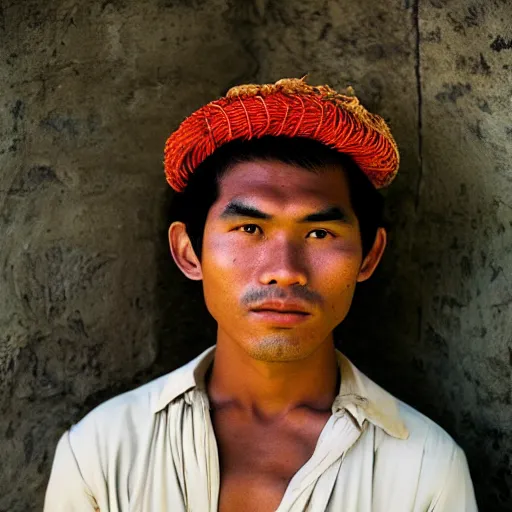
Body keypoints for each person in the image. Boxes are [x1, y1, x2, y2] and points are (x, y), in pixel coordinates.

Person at [44, 78, 478, 511]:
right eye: (249, 229)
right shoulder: (100, 452)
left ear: (369, 256)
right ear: (188, 251)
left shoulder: (426, 469)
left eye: (320, 232)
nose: (285, 271)